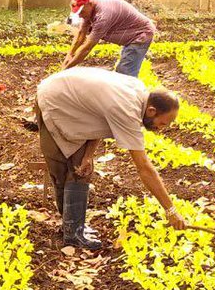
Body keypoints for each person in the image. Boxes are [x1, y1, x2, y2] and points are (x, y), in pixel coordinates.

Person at [35, 65, 185, 249]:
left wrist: (88, 155)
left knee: (83, 166)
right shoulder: (127, 109)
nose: (162, 128)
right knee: (65, 166)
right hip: (54, 98)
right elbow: (144, 168)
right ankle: (72, 232)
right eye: (163, 123)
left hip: (69, 95)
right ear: (152, 111)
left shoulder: (138, 92)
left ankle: (74, 226)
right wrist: (171, 210)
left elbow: (97, 116)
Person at [62, 0, 157, 76]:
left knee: (125, 75)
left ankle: (132, 95)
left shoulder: (103, 15)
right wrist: (69, 55)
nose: (80, 15)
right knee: (123, 72)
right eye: (77, 13)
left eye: (81, 12)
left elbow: (86, 48)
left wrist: (65, 70)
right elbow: (81, 34)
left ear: (90, 4)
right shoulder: (90, 9)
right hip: (130, 34)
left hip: (141, 35)